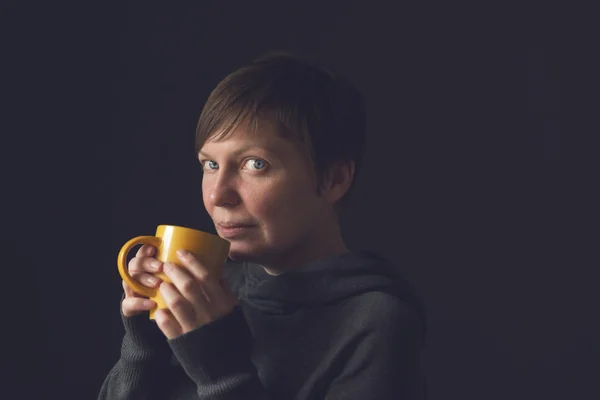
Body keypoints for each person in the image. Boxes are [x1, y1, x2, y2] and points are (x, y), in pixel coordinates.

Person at [99, 51, 427, 399]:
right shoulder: (212, 293)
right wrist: (144, 346)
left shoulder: (376, 323)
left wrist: (218, 369)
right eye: (210, 165)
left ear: (334, 180)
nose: (218, 195)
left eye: (255, 164)